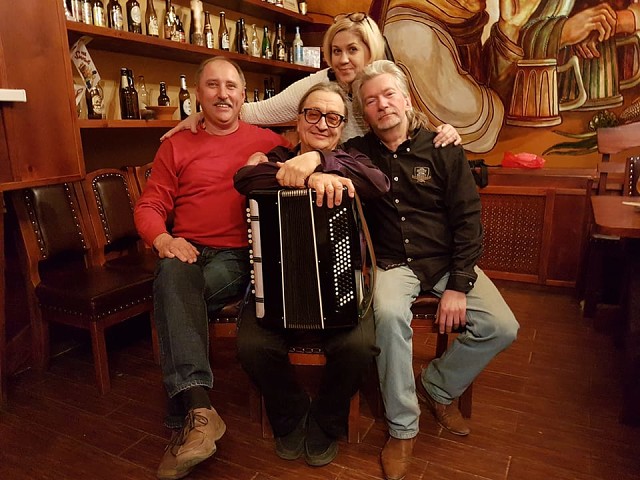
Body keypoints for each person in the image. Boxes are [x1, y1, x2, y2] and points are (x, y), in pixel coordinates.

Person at [281, 60, 518, 480]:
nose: (382, 104)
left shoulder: (444, 147)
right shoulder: (358, 152)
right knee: (389, 316)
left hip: (446, 261)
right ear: (364, 113)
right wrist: (308, 156)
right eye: (371, 100)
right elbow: (320, 149)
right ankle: (403, 428)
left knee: (502, 327)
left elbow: (468, 220)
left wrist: (458, 285)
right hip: (392, 264)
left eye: (389, 94)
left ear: (406, 100)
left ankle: (437, 386)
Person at [133, 56, 290, 480]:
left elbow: (318, 139)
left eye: (231, 86)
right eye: (213, 86)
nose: (223, 94)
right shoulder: (175, 144)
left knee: (173, 292)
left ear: (243, 95)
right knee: (171, 271)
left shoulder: (270, 141)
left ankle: (186, 412)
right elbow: (149, 205)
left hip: (237, 256)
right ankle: (202, 413)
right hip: (186, 249)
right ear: (197, 94)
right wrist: (163, 239)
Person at [232, 82, 389, 467]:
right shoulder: (276, 157)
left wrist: (322, 161)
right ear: (299, 120)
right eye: (313, 114)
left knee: (358, 347)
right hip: (279, 286)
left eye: (333, 118)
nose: (322, 123)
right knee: (252, 346)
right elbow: (246, 180)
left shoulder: (351, 160)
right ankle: (290, 415)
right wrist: (306, 175)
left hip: (340, 284)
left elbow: (378, 183)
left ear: (342, 126)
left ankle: (326, 421)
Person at [161, 12, 461, 148]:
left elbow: (410, 126)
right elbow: (254, 112)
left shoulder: (385, 82)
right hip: (339, 182)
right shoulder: (319, 85)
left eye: (352, 50)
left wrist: (445, 133)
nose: (343, 59)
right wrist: (203, 114)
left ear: (371, 51)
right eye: (336, 51)